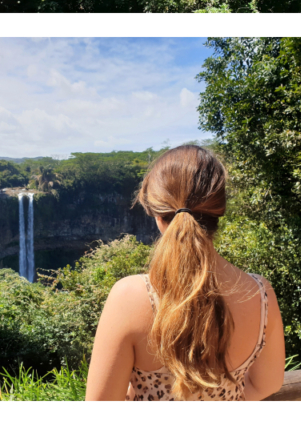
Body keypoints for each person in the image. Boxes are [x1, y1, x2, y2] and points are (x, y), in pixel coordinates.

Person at [85, 145, 285, 401]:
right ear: (219, 209)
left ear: (155, 213)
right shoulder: (260, 293)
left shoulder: (128, 297)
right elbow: (267, 384)